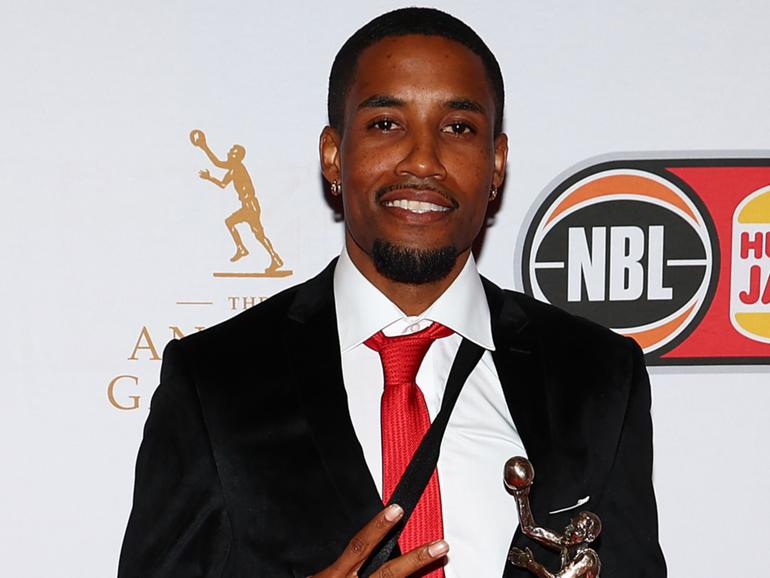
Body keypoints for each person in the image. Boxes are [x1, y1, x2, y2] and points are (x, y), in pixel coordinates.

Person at [119, 8, 666, 578]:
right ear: (334, 153)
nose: (424, 161)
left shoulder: (597, 376)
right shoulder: (215, 381)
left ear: (496, 163)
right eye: (386, 124)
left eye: (458, 128)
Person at [190, 128, 284, 269]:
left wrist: (204, 146)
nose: (228, 153)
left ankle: (271, 257)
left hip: (250, 205)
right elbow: (222, 184)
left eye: (231, 152)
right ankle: (249, 251)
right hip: (248, 206)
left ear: (236, 156)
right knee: (237, 225)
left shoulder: (237, 167)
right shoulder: (233, 170)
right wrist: (210, 178)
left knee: (257, 234)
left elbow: (217, 163)